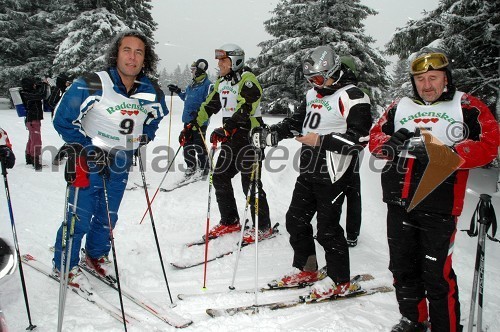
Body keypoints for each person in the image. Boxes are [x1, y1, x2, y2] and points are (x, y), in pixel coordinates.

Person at [369, 47, 499, 332]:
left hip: (439, 204)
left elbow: (490, 145)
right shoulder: (398, 106)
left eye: (433, 78)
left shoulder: (465, 105)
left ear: (446, 78)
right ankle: (413, 320)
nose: (427, 85)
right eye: (420, 79)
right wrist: (389, 144)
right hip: (398, 201)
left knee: (436, 274)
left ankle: (445, 327)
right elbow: (375, 136)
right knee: (403, 268)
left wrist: (446, 152)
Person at [51, 29, 168, 290]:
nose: (132, 57)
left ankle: (95, 253)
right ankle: (64, 264)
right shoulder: (93, 82)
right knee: (79, 216)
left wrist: (144, 136)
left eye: (139, 52)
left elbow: (156, 116)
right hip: (88, 159)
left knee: (108, 214)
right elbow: (63, 119)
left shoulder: (151, 90)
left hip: (121, 160)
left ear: (145, 58)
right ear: (116, 53)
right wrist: (86, 148)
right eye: (127, 50)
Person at [262, 45, 372, 300]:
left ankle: (339, 279)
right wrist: (273, 132)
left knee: (327, 228)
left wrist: (320, 141)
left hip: (335, 170)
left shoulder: (352, 95)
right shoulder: (314, 94)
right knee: (295, 220)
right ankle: (307, 268)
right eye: (311, 79)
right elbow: (296, 122)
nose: (315, 84)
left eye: (320, 78)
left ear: (336, 72)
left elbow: (359, 138)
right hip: (309, 168)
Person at [185, 43, 272, 244]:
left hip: (250, 138)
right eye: (219, 60)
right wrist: (192, 125)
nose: (219, 63)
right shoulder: (222, 82)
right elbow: (209, 105)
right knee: (220, 176)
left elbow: (246, 108)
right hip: (231, 139)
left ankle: (263, 226)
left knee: (249, 183)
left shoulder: (247, 80)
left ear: (235, 61)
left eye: (223, 60)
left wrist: (228, 127)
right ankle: (230, 220)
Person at [168, 59, 212, 178]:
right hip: (188, 119)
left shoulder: (208, 85)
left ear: (199, 70)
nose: (191, 72)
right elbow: (187, 98)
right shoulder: (192, 84)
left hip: (199, 121)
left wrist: (198, 115)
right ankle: (191, 166)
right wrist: (178, 91)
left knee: (199, 143)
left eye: (193, 70)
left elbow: (209, 103)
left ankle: (204, 167)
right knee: (186, 143)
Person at [20, 76, 49, 170]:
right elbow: (42, 95)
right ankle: (36, 160)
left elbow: (39, 92)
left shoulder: (26, 92)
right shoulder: (26, 94)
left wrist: (41, 84)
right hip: (33, 119)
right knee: (36, 140)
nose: (34, 85)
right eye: (33, 84)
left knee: (31, 139)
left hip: (31, 119)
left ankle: (29, 157)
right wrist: (44, 84)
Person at [345, 153, 361, 247]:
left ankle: (352, 234)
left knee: (353, 195)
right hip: (332, 154)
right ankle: (325, 228)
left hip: (349, 153)